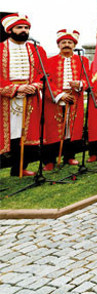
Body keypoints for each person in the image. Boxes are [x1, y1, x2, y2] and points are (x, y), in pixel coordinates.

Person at [0, 13, 46, 177]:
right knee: (7, 135)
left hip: (30, 97)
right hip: (5, 100)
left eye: (26, 27)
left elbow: (42, 73)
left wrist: (34, 85)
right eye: (20, 27)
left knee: (25, 135)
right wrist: (16, 89)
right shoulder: (0, 49)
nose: (24, 30)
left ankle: (19, 168)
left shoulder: (37, 50)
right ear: (10, 30)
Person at [42, 29, 89, 169]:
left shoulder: (83, 60)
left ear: (74, 45)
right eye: (63, 42)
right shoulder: (49, 61)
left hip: (74, 98)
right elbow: (46, 81)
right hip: (54, 100)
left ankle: (69, 157)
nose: (67, 44)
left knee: (71, 129)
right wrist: (59, 95)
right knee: (52, 130)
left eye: (70, 42)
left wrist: (80, 84)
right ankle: (49, 161)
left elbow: (88, 78)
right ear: (58, 45)